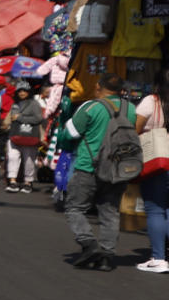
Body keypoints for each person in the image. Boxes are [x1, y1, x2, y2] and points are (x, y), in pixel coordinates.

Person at [62, 72, 136, 271]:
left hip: (89, 166)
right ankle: (106, 255)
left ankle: (89, 243)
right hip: (118, 169)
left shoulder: (91, 106)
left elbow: (69, 134)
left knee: (75, 207)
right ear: (121, 90)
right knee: (110, 211)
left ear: (98, 87)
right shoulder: (130, 109)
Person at [136, 67, 169, 274]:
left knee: (155, 209)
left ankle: (158, 257)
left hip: (157, 161)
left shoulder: (152, 102)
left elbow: (135, 128)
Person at [4, 82, 45, 193]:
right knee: (12, 157)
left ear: (29, 92)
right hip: (14, 134)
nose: (21, 93)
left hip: (30, 136)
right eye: (19, 91)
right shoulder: (15, 103)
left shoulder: (34, 104)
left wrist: (20, 117)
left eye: (24, 91)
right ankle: (12, 181)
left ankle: (28, 182)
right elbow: (12, 118)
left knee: (29, 160)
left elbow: (38, 119)